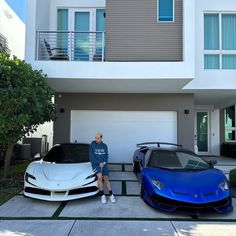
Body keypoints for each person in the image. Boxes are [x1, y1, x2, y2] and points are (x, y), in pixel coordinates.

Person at [89, 133, 116, 204]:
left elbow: (106, 155)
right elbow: (91, 157)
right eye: (95, 138)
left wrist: (104, 163)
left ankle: (111, 194)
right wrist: (98, 163)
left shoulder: (104, 146)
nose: (96, 139)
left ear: (101, 138)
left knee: (106, 178)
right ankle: (102, 195)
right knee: (100, 177)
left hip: (103, 164)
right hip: (95, 165)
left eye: (98, 138)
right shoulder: (92, 145)